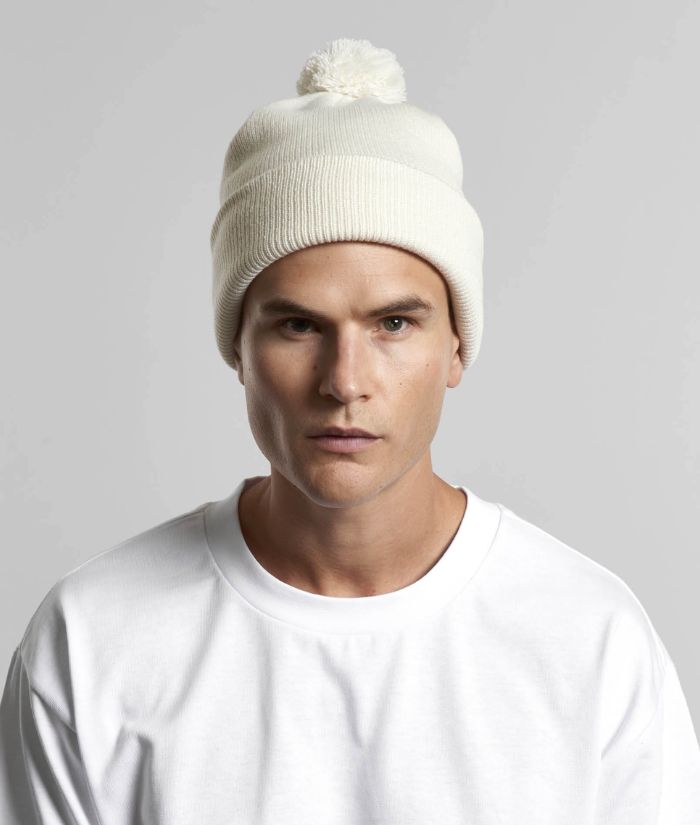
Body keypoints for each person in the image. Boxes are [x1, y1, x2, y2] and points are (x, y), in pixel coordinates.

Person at [1, 36, 699, 825]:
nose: (344, 380)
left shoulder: (589, 639)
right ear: (238, 348)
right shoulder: (94, 640)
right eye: (298, 325)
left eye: (394, 323)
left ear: (457, 347)